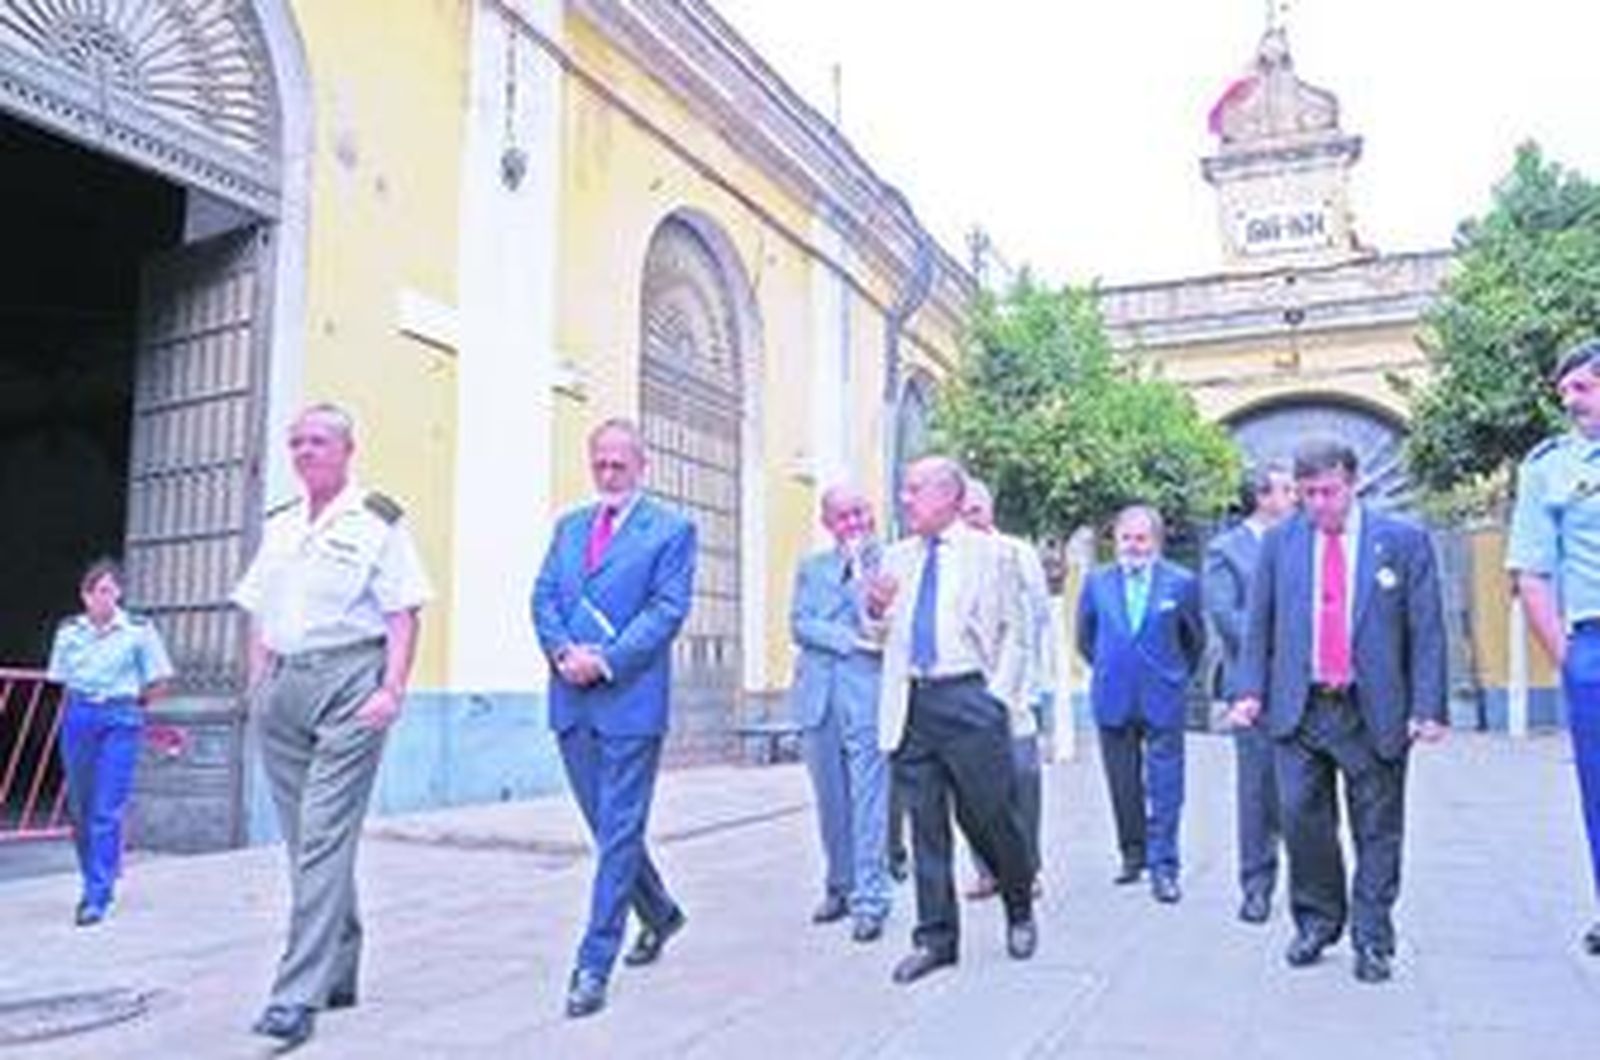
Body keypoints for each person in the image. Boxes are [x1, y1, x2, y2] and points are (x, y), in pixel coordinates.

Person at [233, 403, 432, 1047]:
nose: (304, 451)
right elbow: (260, 610)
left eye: (317, 440)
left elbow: (404, 614)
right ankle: (341, 967)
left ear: (348, 449)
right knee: (306, 841)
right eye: (296, 442)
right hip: (284, 690)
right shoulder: (284, 525)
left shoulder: (377, 520)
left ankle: (297, 996)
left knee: (321, 836)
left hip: (352, 683)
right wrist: (257, 685)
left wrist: (391, 691)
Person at [1231, 438, 1446, 984]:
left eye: (1328, 492)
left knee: (1377, 827)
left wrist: (1427, 706)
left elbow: (1426, 631)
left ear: (1353, 484)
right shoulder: (1281, 544)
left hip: (1371, 709)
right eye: (1307, 494)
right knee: (1304, 823)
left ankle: (1372, 938)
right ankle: (1317, 921)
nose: (1319, 504)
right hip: (1298, 709)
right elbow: (1260, 625)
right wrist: (1248, 691)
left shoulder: (1402, 542)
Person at [532, 418, 696, 1018]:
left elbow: (666, 610)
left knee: (620, 830)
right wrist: (561, 652)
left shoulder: (672, 530)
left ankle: (593, 963)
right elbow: (543, 596)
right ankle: (661, 912)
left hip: (628, 702)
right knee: (608, 830)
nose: (607, 474)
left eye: (618, 465)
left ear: (641, 465)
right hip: (570, 701)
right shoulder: (570, 527)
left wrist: (604, 660)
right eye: (598, 463)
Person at [864, 456, 1037, 985]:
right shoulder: (895, 556)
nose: (904, 498)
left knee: (989, 818)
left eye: (915, 489)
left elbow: (1017, 632)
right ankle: (936, 939)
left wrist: (996, 700)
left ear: (949, 496)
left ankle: (1019, 907)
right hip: (912, 702)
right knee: (927, 828)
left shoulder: (991, 555)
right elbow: (879, 637)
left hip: (969, 700)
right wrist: (874, 611)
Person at [1506, 336, 1600, 958]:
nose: (1569, 401)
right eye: (1563, 390)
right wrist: (1568, 659)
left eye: (1582, 387)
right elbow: (1531, 572)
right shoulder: (1549, 469)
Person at [1076, 505, 1205, 904]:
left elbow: (1194, 640)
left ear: (1156, 542)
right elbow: (1085, 638)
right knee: (1123, 782)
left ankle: (1165, 865)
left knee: (1166, 785)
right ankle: (1132, 855)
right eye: (1125, 538)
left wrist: (1175, 675)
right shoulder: (1097, 582)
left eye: (1140, 538)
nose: (1132, 546)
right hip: (1113, 694)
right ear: (1114, 541)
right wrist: (1111, 668)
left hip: (1162, 695)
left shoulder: (1181, 583)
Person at [46, 558, 174, 926]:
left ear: (118, 593)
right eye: (94, 590)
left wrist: (134, 707)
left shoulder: (138, 630)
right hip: (80, 715)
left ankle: (95, 894)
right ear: (84, 596)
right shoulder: (70, 632)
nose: (102, 597)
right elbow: (61, 678)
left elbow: (160, 678)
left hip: (121, 718)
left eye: (108, 589)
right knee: (82, 806)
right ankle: (98, 872)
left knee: (107, 807)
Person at [789, 484, 891, 941]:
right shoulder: (811, 568)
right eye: (842, 517)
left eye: (860, 513)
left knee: (869, 799)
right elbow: (799, 623)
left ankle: (872, 899)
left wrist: (859, 580)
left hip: (866, 693)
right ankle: (840, 884)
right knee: (830, 800)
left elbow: (882, 624)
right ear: (827, 523)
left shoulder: (889, 564)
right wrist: (846, 639)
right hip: (817, 697)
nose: (853, 524)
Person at [1204, 461, 1297, 924]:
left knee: (1304, 789)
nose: (1294, 497)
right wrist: (1285, 644)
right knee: (1258, 789)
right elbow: (1227, 617)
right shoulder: (1227, 549)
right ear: (1262, 497)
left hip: (1305, 687)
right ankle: (1257, 886)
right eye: (1285, 489)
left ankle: (1312, 884)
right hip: (1254, 685)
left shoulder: (1304, 541)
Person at [957, 478, 1049, 901]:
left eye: (976, 511)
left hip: (1016, 691)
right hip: (965, 694)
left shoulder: (1018, 553)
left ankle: (1027, 870)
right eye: (963, 512)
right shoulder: (950, 557)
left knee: (1023, 780)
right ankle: (987, 870)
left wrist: (1028, 681)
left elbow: (1038, 618)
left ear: (990, 511)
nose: (969, 520)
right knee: (972, 787)